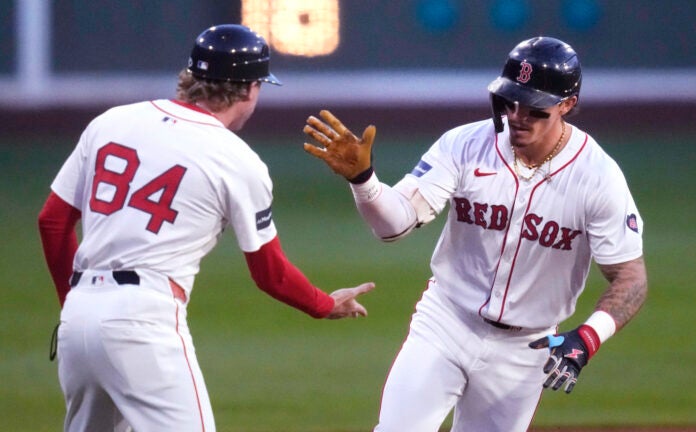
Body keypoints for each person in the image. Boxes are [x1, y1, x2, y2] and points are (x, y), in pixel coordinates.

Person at [37, 24, 374, 431]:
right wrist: (324, 303)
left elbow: (53, 221)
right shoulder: (237, 159)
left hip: (78, 319)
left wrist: (74, 304)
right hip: (144, 319)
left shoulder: (112, 121)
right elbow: (270, 273)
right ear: (249, 89)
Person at [303, 36, 647, 431]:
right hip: (445, 323)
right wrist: (364, 181)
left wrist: (588, 338)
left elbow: (631, 276)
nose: (517, 115)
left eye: (534, 108)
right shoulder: (464, 145)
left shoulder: (597, 177)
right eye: (509, 101)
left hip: (525, 348)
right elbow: (393, 226)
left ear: (567, 105)